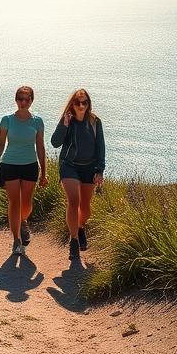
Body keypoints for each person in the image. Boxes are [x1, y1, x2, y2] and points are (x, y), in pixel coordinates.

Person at [0, 86, 47, 256]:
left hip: (30, 165)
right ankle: (16, 240)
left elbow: (41, 147)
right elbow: (0, 143)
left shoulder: (38, 121)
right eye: (20, 99)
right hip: (9, 164)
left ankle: (23, 221)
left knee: (27, 204)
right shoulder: (7, 120)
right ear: (15, 100)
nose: (23, 102)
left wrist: (44, 172)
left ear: (31, 101)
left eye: (26, 99)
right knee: (14, 203)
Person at [50, 88, 106, 261]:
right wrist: (64, 126)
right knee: (73, 202)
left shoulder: (95, 122)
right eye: (78, 102)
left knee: (86, 208)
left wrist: (100, 170)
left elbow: (100, 147)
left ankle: (80, 227)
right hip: (69, 166)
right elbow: (55, 143)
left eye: (85, 102)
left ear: (89, 104)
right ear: (72, 104)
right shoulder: (67, 120)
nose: (81, 106)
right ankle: (73, 241)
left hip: (89, 168)